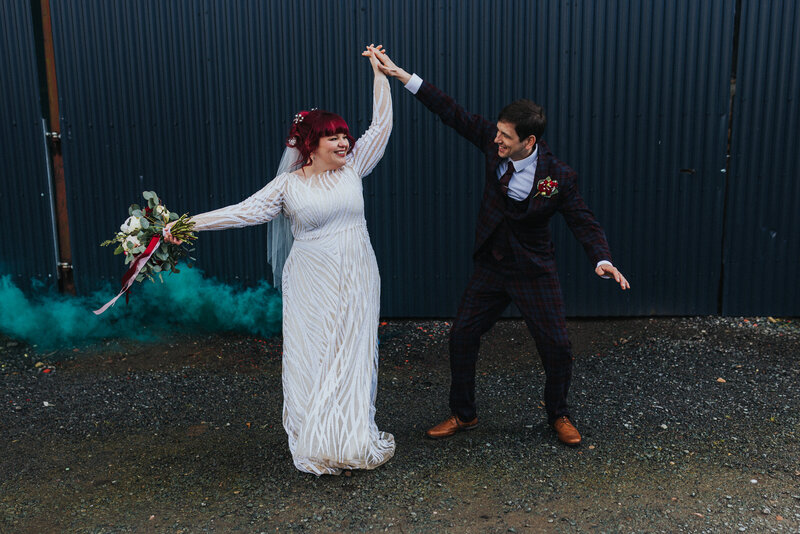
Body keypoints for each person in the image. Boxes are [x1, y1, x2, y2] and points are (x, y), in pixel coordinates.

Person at [375, 53, 630, 446]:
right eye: (497, 132)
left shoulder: (558, 177)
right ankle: (464, 414)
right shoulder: (491, 142)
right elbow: (451, 111)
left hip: (533, 270)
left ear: (529, 141)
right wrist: (401, 75)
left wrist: (603, 259)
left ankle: (558, 413)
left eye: (506, 137)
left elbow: (583, 220)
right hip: (492, 266)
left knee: (558, 347)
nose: (497, 140)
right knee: (461, 335)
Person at [164, 45, 395, 475]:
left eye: (345, 135)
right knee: (317, 353)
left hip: (358, 271)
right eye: (334, 136)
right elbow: (241, 211)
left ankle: (351, 437)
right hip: (312, 279)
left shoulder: (353, 168)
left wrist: (380, 74)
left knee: (353, 351)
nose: (345, 142)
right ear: (312, 144)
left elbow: (380, 125)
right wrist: (183, 226)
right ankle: (318, 439)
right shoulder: (287, 187)